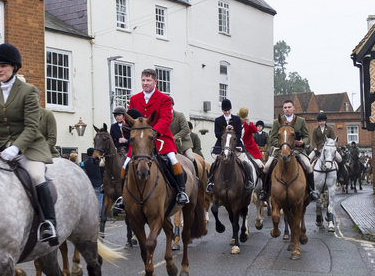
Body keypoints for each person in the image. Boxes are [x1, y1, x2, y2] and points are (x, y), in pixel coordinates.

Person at [0, 43, 59, 245]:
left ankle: (49, 223)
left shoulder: (28, 91)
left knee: (37, 175)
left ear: (14, 67)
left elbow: (32, 127)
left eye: (2, 66)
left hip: (28, 147)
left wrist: (15, 148)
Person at [119, 69, 188, 205]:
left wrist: (155, 131)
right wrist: (124, 125)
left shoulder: (164, 99)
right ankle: (122, 196)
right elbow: (130, 117)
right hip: (140, 140)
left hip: (160, 137)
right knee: (126, 163)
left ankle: (181, 191)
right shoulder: (134, 99)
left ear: (155, 82)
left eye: (148, 80)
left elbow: (166, 119)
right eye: (143, 80)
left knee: (172, 159)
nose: (145, 83)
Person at [259, 99, 319, 202]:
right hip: (280, 150)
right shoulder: (277, 121)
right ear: (283, 109)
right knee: (266, 167)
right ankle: (264, 191)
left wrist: (303, 142)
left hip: (298, 150)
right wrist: (283, 145)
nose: (287, 109)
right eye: (285, 108)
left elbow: (307, 137)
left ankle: (312, 190)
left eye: (289, 107)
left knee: (309, 166)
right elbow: (272, 138)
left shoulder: (301, 121)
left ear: (293, 108)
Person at [205, 99, 254, 192]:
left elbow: (239, 134)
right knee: (215, 162)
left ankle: (249, 181)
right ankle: (210, 182)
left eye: (228, 110)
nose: (227, 112)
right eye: (225, 111)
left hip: (235, 145)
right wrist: (225, 131)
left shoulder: (237, 119)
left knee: (244, 161)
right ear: (222, 110)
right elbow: (217, 134)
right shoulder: (218, 120)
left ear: (231, 109)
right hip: (222, 145)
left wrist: (233, 133)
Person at [239, 107, 264, 172]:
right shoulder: (236, 124)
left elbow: (255, 131)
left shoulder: (249, 124)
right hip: (239, 149)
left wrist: (249, 123)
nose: (241, 120)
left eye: (242, 119)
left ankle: (262, 181)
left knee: (260, 165)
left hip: (249, 149)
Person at [82, 148, 103, 219]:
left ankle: (90, 215)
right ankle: (98, 216)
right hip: (98, 182)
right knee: (99, 200)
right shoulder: (98, 161)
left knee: (90, 200)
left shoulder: (85, 162)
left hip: (89, 183)